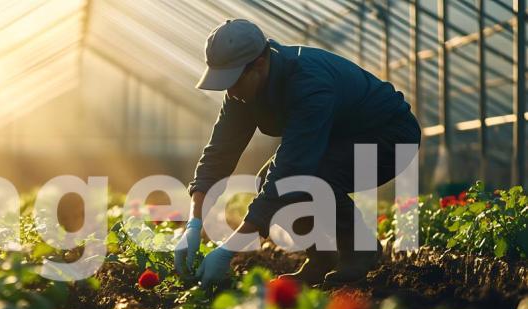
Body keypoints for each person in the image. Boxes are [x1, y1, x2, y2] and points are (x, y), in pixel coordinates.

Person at [175, 19, 421, 287]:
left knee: (308, 178)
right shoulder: (241, 92)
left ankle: (360, 249)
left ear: (259, 64)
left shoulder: (308, 82)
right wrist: (194, 224)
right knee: (267, 180)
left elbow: (292, 170)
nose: (229, 91)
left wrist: (228, 250)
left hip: (390, 137)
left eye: (233, 80)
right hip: (342, 136)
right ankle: (321, 257)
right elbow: (219, 153)